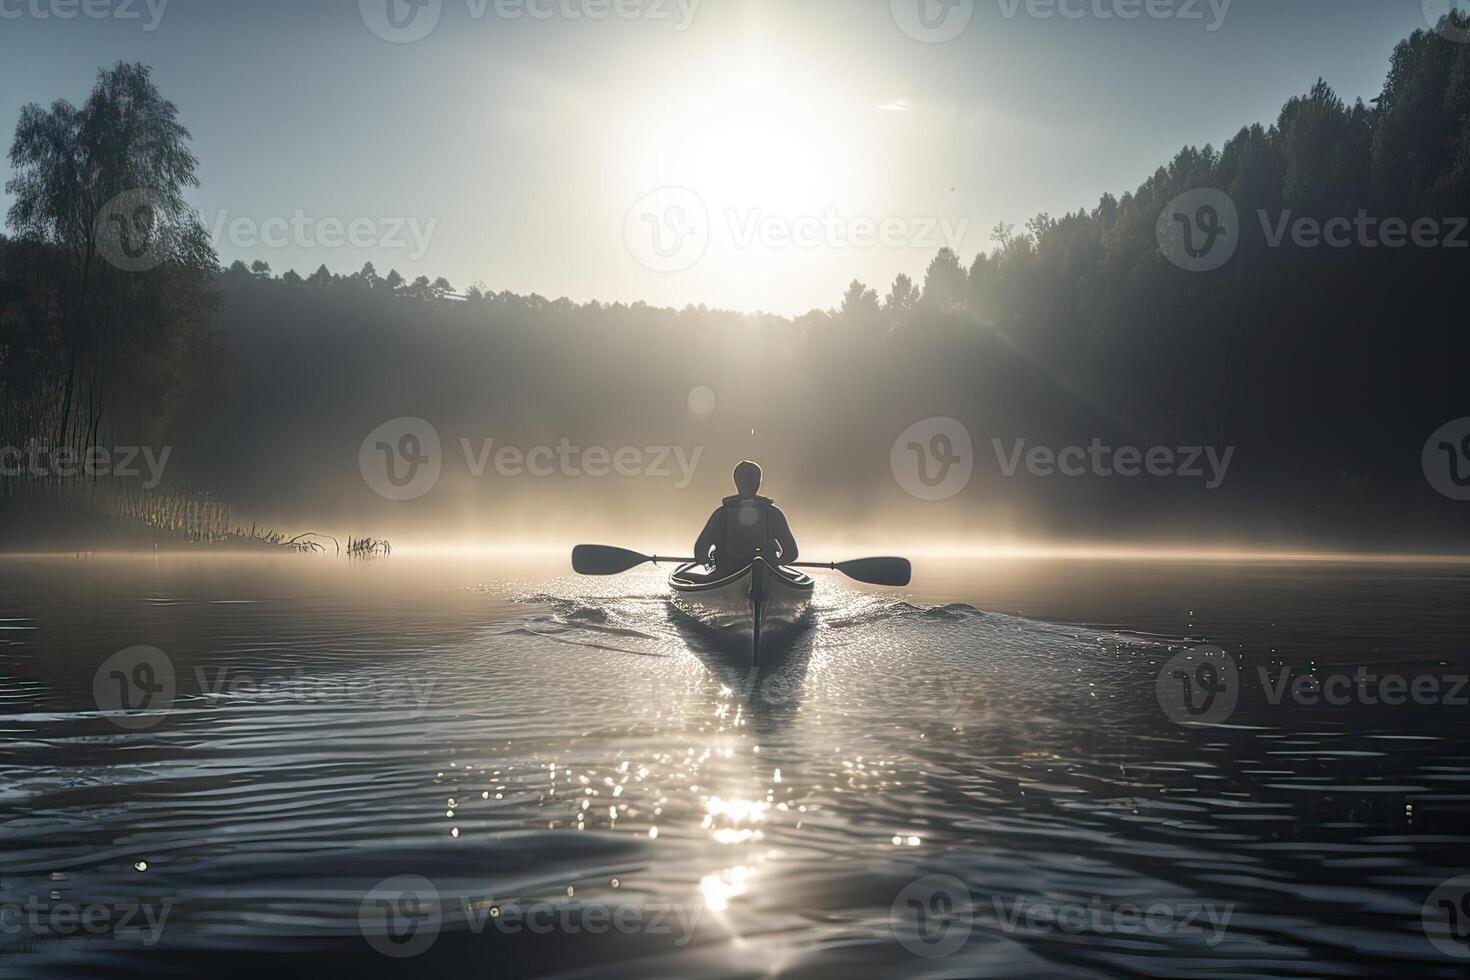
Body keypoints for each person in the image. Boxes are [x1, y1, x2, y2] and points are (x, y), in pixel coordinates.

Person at [693, 461, 799, 575]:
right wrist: (775, 563)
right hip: (765, 570)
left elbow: (700, 552)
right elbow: (791, 554)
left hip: (725, 571)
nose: (749, 482)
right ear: (759, 482)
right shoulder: (773, 513)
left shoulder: (720, 514)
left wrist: (709, 562)